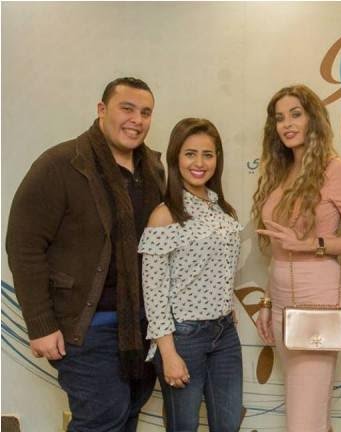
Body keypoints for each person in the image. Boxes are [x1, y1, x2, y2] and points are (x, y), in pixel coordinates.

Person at [5, 77, 163, 431]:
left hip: (140, 327)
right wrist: (41, 325)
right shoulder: (60, 164)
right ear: (102, 109)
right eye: (127, 108)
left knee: (126, 416)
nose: (137, 120)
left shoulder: (153, 169)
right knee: (102, 418)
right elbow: (24, 245)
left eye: (145, 112)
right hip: (84, 326)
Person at [252, 84, 341, 432]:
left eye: (296, 114)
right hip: (281, 301)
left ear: (313, 120)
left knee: (304, 421)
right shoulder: (280, 171)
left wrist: (310, 245)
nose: (287, 124)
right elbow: (279, 247)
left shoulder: (335, 170)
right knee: (311, 415)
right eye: (280, 118)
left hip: (317, 300)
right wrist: (267, 301)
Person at [138, 118, 243, 431]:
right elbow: (154, 292)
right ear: (176, 158)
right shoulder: (164, 215)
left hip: (225, 333)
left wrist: (226, 306)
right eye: (190, 154)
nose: (199, 163)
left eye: (208, 155)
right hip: (184, 337)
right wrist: (168, 353)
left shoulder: (224, 210)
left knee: (228, 425)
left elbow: (220, 269)